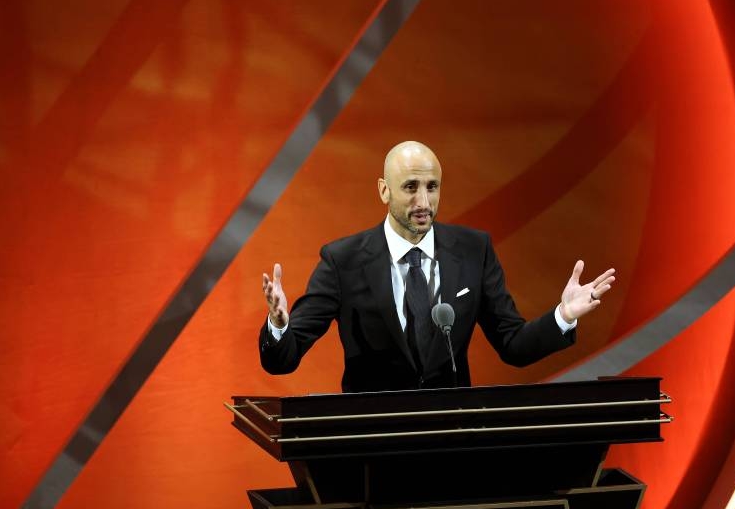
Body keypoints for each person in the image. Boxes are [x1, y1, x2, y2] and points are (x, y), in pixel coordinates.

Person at [259, 141, 615, 393]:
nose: (424, 202)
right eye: (410, 187)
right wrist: (278, 325)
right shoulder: (343, 261)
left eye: (433, 187)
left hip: (452, 444)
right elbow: (283, 360)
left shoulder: (475, 250)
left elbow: (513, 345)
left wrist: (563, 316)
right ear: (384, 191)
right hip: (370, 449)